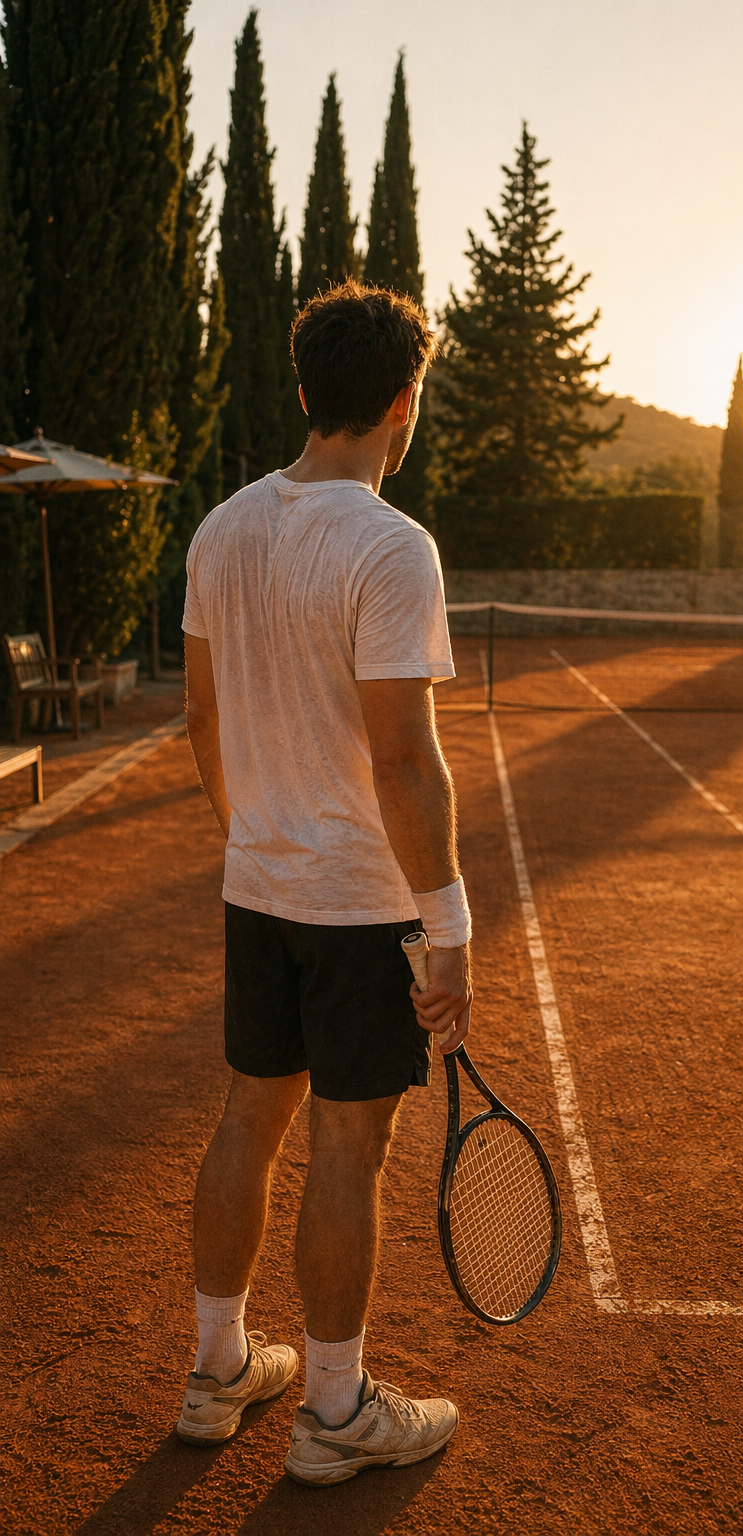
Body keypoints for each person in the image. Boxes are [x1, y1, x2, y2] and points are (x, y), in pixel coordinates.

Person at [175, 281, 472, 1487]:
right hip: (360, 909)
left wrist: (258, 840)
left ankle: (214, 1373)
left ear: (307, 392)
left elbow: (201, 718)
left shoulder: (220, 529)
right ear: (403, 402)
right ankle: (335, 1411)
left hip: (259, 890)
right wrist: (446, 929)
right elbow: (405, 757)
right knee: (348, 1155)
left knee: (248, 1120)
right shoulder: (391, 545)